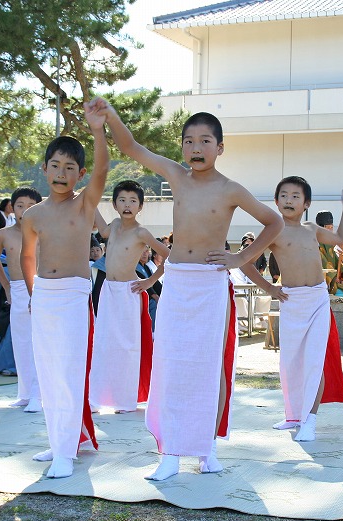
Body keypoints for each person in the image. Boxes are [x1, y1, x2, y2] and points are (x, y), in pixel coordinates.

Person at [104, 102, 283, 481]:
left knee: (208, 365)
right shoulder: (175, 174)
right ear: (182, 147)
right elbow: (132, 147)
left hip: (210, 282)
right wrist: (110, 116)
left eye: (205, 140)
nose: (196, 147)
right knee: (169, 362)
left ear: (220, 147)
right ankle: (169, 451)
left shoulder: (231, 189)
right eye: (189, 141)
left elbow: (274, 221)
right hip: (178, 280)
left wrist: (241, 258)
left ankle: (206, 447)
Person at [19, 98, 109, 478]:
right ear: (44, 169)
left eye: (70, 167)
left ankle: (65, 452)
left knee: (70, 371)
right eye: (55, 165)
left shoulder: (85, 205)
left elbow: (103, 169)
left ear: (80, 173)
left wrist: (98, 130)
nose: (61, 172)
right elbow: (26, 258)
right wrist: (31, 294)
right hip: (44, 296)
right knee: (48, 372)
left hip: (74, 294)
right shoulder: (32, 214)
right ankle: (59, 441)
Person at [239, 176, 343, 442]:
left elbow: (342, 241)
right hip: (291, 301)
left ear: (306, 203)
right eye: (284, 196)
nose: (289, 200)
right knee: (290, 363)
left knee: (313, 361)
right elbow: (246, 263)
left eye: (295, 196)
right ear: (276, 201)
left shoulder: (311, 229)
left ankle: (310, 419)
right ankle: (294, 415)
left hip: (317, 299)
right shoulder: (273, 231)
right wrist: (270, 288)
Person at [89, 180, 170, 414]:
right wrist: (92, 200)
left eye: (133, 201)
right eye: (122, 200)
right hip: (108, 290)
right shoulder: (113, 226)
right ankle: (96, 397)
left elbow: (169, 257)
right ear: (114, 204)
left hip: (128, 291)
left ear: (140, 206)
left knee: (127, 347)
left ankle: (125, 399)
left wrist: (149, 281)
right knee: (103, 342)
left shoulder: (141, 232)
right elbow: (101, 229)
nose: (127, 205)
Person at [0, 186, 44, 413]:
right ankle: (24, 392)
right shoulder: (4, 233)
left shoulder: (43, 233)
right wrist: (7, 288)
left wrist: (40, 291)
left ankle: (38, 394)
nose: (24, 210)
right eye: (20, 205)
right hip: (17, 289)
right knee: (20, 342)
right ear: (13, 208)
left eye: (31, 206)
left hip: (39, 289)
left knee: (37, 344)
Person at [136, 246, 161, 328]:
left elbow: (155, 283)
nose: (144, 254)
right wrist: (156, 296)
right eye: (142, 251)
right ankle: (153, 331)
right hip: (141, 297)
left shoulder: (146, 267)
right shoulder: (135, 267)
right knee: (154, 304)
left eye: (146, 251)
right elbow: (143, 282)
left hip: (149, 296)